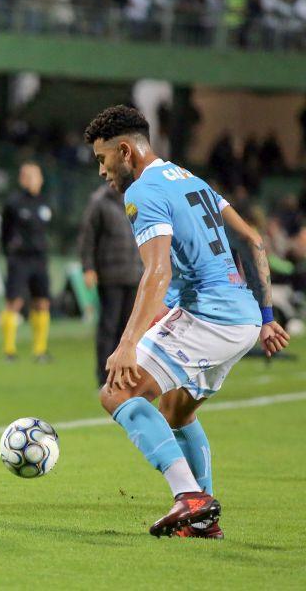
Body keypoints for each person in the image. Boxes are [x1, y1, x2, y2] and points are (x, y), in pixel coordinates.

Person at [83, 105, 289, 539]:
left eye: (103, 159)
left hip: (208, 316)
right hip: (243, 320)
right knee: (176, 411)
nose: (102, 171)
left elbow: (157, 271)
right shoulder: (191, 179)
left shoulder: (143, 191)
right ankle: (202, 519)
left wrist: (127, 343)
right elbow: (253, 240)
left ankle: (189, 497)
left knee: (117, 391)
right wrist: (266, 317)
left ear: (125, 151)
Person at [79, 182, 143, 386]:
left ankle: (123, 374)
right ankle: (104, 376)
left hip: (135, 273)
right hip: (110, 275)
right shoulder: (99, 202)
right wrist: (88, 267)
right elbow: (87, 237)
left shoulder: (138, 198)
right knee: (108, 326)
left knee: (129, 329)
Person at [0, 160, 52, 362]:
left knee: (42, 302)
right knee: (14, 301)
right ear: (22, 179)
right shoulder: (13, 203)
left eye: (36, 176)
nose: (33, 180)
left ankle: (40, 351)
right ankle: (9, 351)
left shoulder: (45, 202)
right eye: (29, 176)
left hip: (40, 258)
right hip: (19, 259)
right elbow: (4, 232)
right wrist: (10, 252)